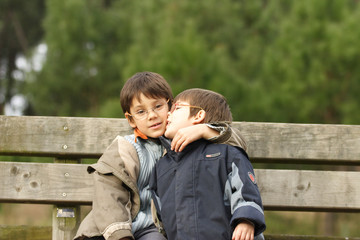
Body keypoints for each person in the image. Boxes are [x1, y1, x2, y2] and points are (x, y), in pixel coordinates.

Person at [74, 72, 246, 240]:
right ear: (131, 119)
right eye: (141, 112)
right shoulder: (126, 147)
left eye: (158, 106)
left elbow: (237, 145)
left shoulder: (185, 143)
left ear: (171, 107)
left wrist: (204, 129)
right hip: (109, 229)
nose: (152, 116)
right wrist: (120, 235)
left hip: (153, 230)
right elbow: (108, 193)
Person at [150, 88, 266, 240]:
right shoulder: (163, 167)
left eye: (177, 108)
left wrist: (246, 220)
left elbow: (245, 188)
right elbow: (161, 216)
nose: (168, 114)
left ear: (198, 115)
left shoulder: (225, 154)